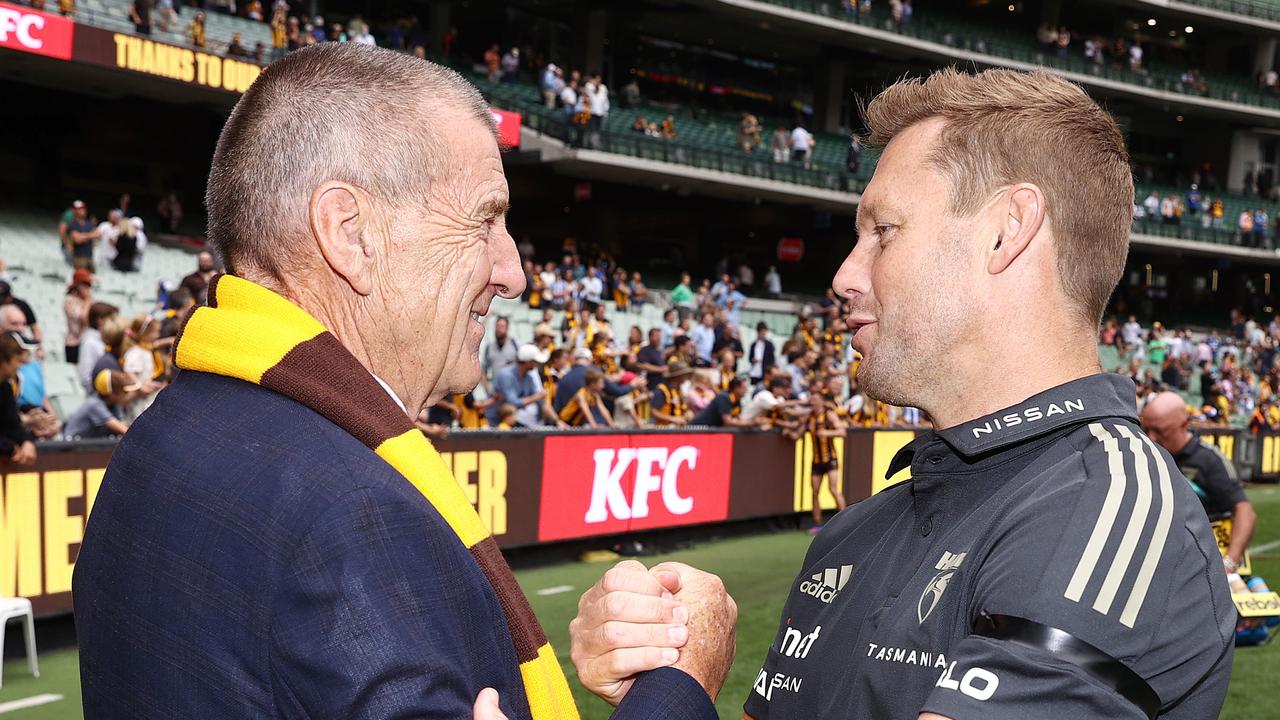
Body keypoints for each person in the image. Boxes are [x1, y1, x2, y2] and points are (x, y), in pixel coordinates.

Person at [76, 44, 724, 720]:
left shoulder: (164, 435)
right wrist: (683, 682)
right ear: (350, 234)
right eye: (485, 219)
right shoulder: (355, 513)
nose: (513, 272)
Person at [569, 67, 1232, 720]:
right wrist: (672, 683)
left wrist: (675, 703)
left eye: (882, 231)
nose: (843, 276)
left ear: (1008, 229)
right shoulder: (855, 532)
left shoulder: (1107, 511)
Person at [1141, 392, 1256, 575]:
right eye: (1145, 430)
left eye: (1160, 431)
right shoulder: (1142, 454)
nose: (1151, 438)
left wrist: (1229, 564)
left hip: (1205, 563)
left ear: (1184, 425)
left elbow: (1244, 511)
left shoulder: (1209, 460)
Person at [803, 391, 846, 529]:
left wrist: (827, 433)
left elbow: (842, 432)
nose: (813, 403)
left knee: (833, 489)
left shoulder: (829, 415)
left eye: (815, 400)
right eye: (812, 400)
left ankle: (847, 522)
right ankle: (817, 524)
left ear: (821, 401)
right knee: (815, 491)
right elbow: (799, 432)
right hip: (816, 460)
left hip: (830, 458)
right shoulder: (809, 417)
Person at [64, 369, 134, 438]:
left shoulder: (115, 403)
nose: (126, 395)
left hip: (89, 444)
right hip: (72, 445)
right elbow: (123, 430)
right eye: (124, 392)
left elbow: (123, 424)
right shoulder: (94, 404)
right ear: (112, 394)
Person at [0, 333, 37, 465]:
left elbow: (12, 423)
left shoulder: (5, 386)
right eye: (17, 360)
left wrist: (26, 441)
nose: (19, 366)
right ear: (4, 360)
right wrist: (11, 448)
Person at [652, 360, 694, 426]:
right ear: (678, 375)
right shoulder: (662, 390)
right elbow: (653, 412)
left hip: (679, 429)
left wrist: (687, 413)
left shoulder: (679, 389)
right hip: (664, 430)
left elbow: (682, 407)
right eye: (685, 374)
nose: (687, 376)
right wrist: (672, 419)